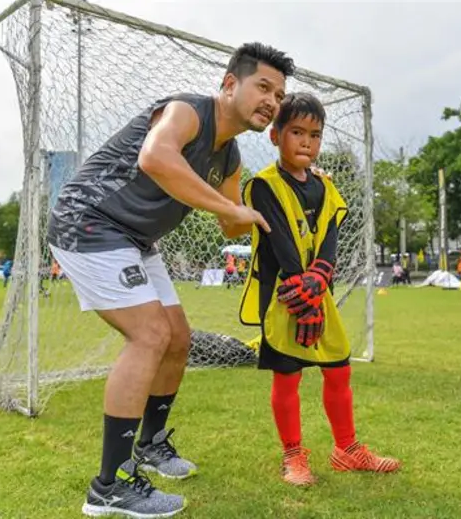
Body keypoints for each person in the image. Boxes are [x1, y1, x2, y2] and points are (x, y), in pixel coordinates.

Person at [47, 42, 293, 518]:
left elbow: (232, 224)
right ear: (228, 84)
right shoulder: (187, 111)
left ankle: (151, 445)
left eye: (279, 96)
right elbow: (155, 159)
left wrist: (287, 184)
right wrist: (229, 206)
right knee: (151, 334)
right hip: (89, 220)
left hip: (134, 238)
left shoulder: (232, 156)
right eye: (263, 87)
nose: (272, 101)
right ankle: (110, 486)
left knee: (177, 338)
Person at [239, 92, 401, 487]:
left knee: (339, 369)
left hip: (316, 292)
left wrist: (320, 278)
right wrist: (304, 295)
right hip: (284, 298)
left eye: (315, 134)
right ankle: (293, 456)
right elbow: (281, 244)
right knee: (287, 376)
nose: (307, 142)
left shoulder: (324, 185)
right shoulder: (264, 185)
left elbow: (329, 236)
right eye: (297, 132)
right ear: (275, 136)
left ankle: (347, 449)